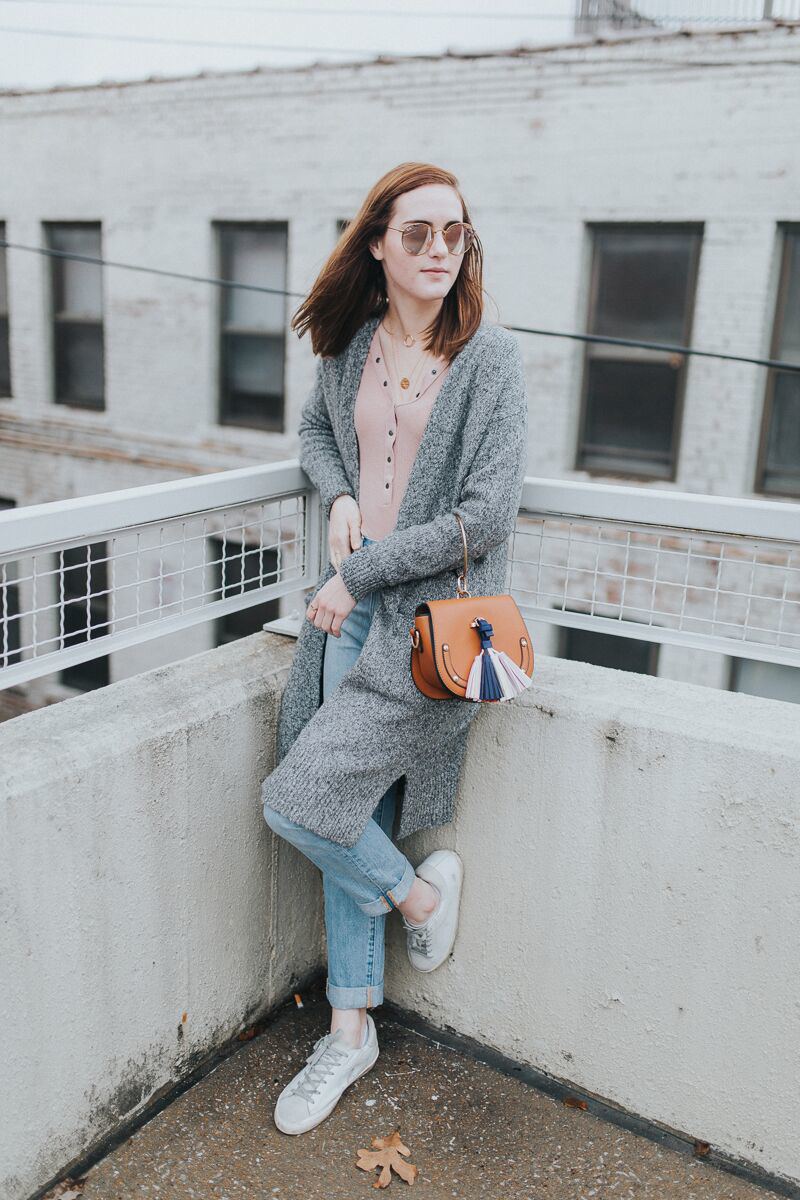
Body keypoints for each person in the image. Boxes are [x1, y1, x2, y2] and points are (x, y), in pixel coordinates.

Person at [261, 162, 528, 1136]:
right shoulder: (350, 348)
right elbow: (313, 432)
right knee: (335, 810)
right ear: (376, 241)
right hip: (351, 616)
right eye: (415, 232)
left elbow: (482, 515)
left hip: (423, 625)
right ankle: (353, 1022)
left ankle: (412, 905)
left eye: (452, 233)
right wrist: (336, 497)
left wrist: (358, 573)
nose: (436, 250)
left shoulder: (488, 361)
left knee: (299, 800)